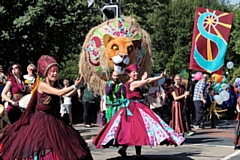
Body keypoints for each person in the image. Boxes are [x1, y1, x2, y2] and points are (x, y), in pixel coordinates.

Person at [0, 55, 93, 160]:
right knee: (42, 144)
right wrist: (75, 86)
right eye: (52, 71)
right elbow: (59, 92)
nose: (55, 74)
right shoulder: (42, 85)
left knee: (64, 143)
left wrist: (78, 85)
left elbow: (68, 94)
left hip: (53, 118)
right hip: (40, 119)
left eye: (56, 71)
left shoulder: (55, 84)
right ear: (46, 73)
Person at [93, 64, 184, 160]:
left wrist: (143, 80)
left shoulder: (134, 82)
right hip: (133, 109)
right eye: (133, 72)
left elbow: (144, 82)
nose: (136, 73)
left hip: (137, 108)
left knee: (134, 131)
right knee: (137, 130)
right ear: (129, 74)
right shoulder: (131, 84)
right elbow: (148, 81)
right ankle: (137, 154)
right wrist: (160, 77)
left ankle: (124, 149)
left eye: (136, 72)